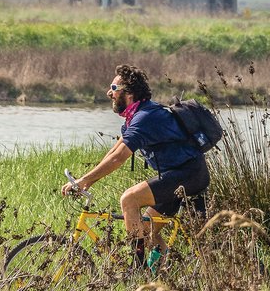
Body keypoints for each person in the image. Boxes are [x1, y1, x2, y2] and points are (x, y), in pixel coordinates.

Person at [61, 64, 209, 268]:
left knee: (129, 199)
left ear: (128, 93)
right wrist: (86, 180)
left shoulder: (145, 118)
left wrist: (85, 181)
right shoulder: (135, 117)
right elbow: (113, 152)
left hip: (188, 175)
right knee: (147, 230)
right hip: (177, 175)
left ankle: (137, 270)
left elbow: (118, 159)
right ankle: (160, 275)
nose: (108, 93)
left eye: (113, 88)